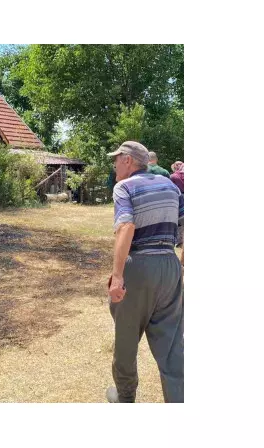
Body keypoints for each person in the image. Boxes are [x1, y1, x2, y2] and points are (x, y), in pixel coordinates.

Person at [105, 141, 184, 403]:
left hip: (139, 266)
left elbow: (126, 227)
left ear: (127, 160)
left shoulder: (124, 187)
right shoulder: (171, 187)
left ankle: (125, 397)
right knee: (172, 345)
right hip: (170, 265)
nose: (114, 164)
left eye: (116, 159)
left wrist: (118, 276)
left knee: (126, 338)